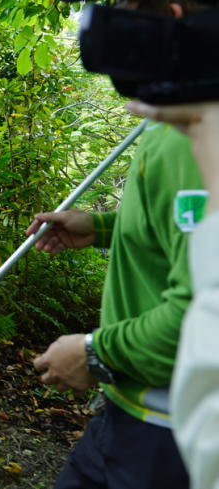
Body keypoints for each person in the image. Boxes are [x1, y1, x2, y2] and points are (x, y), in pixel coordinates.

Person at [27, 0, 218, 489]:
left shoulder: (198, 140)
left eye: (130, 4)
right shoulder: (179, 122)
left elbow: (203, 314)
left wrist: (94, 352)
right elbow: (189, 237)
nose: (115, 20)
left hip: (165, 432)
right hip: (134, 418)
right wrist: (105, 226)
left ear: (172, 20)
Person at [125, 100, 218, 489]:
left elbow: (194, 302)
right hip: (131, 401)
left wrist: (94, 352)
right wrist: (103, 228)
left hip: (157, 414)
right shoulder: (166, 134)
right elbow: (178, 235)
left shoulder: (188, 139)